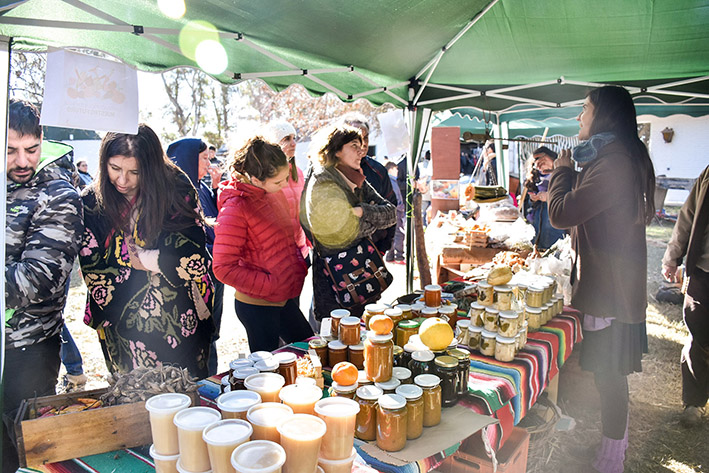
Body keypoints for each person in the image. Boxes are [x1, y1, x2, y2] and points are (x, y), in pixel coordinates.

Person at [548, 86, 655, 473]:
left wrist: (561, 172)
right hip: (610, 286)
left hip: (612, 291)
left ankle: (613, 459)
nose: (579, 117)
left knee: (610, 377)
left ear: (604, 116)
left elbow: (561, 213)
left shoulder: (614, 163)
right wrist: (567, 171)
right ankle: (611, 450)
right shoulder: (608, 159)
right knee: (605, 373)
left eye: (585, 109)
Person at [79, 124, 215, 379]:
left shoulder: (175, 186)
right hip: (118, 320)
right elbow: (92, 267)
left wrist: (144, 259)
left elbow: (193, 257)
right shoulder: (91, 200)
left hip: (178, 318)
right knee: (133, 400)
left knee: (182, 393)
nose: (122, 180)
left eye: (134, 172)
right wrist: (157, 261)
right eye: (115, 168)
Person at [3, 99, 84, 471]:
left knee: (24, 457)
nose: (22, 162)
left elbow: (37, 278)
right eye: (10, 151)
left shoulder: (57, 194)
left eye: (31, 149)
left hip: (26, 350)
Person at [213, 137, 312, 352]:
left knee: (309, 349)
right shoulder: (235, 208)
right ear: (255, 179)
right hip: (257, 305)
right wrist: (270, 284)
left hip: (283, 296)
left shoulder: (272, 195)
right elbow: (222, 268)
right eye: (278, 182)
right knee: (268, 371)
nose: (285, 185)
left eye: (286, 178)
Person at [301, 123, 396, 320]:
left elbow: (391, 213)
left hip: (364, 273)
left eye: (362, 145)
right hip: (335, 282)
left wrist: (361, 210)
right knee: (337, 340)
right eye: (354, 145)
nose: (361, 151)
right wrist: (372, 221)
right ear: (335, 150)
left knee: (364, 336)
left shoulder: (355, 176)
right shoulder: (322, 181)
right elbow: (341, 233)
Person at [166, 137, 224, 376]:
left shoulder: (201, 186)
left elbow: (215, 220)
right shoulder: (175, 194)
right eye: (203, 159)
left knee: (212, 333)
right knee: (199, 336)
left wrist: (217, 188)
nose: (209, 164)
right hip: (194, 275)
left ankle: (210, 381)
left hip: (214, 271)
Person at [661, 165, 709, 427]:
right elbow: (687, 216)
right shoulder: (708, 174)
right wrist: (672, 256)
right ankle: (695, 402)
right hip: (704, 271)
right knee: (698, 336)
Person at [341, 113, 398, 255]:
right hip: (336, 258)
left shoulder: (378, 171)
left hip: (373, 253)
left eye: (366, 137)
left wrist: (383, 247)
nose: (363, 143)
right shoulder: (328, 171)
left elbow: (391, 209)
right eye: (357, 137)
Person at [263, 121, 310, 262]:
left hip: (301, 250)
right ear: (273, 144)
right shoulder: (264, 176)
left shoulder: (299, 173)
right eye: (286, 139)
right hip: (277, 254)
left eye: (294, 138)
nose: (294, 143)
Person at [522, 146, 567, 249]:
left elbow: (569, 198)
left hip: (556, 228)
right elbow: (528, 206)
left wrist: (549, 197)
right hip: (539, 227)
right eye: (536, 162)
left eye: (542, 160)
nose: (539, 165)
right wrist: (533, 199)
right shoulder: (535, 178)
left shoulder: (563, 174)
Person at [385, 161, 405, 263]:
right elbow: (397, 197)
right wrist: (401, 208)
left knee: (393, 233)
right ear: (392, 169)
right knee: (398, 233)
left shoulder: (386, 180)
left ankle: (390, 255)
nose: (397, 171)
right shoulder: (392, 181)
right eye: (396, 169)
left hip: (391, 210)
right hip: (396, 210)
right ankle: (399, 256)